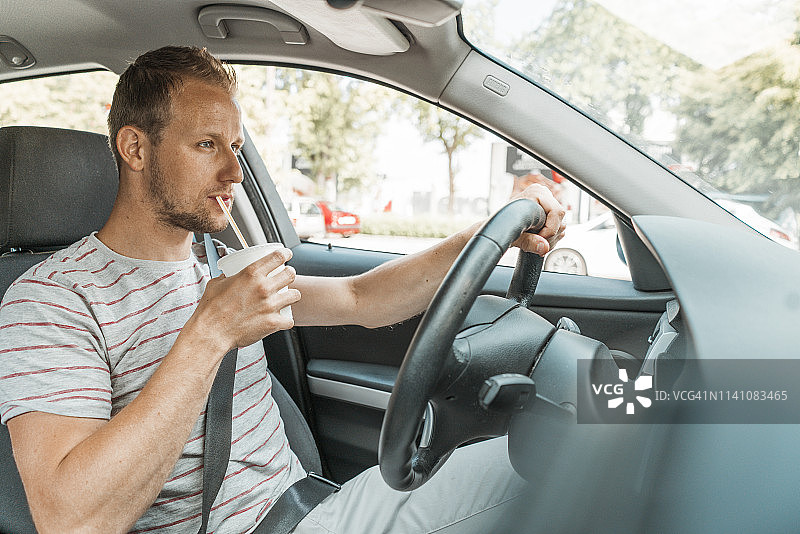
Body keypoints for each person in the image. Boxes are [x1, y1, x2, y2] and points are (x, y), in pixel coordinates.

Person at [0, 46, 565, 534]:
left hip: (313, 505)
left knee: (562, 446)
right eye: (205, 145)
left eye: (235, 148)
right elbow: (73, 520)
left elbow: (362, 299)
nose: (234, 171)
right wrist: (210, 333)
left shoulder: (219, 266)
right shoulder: (50, 301)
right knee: (560, 463)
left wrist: (490, 233)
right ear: (135, 148)